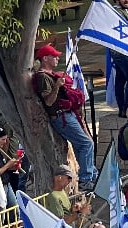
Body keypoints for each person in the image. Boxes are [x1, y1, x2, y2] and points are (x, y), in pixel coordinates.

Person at [31, 43, 97, 188]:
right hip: (61, 117)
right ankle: (86, 178)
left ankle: (91, 174)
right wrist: (57, 86)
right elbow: (48, 102)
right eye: (54, 57)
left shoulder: (51, 75)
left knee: (85, 143)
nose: (57, 59)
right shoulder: (43, 77)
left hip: (68, 115)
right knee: (86, 144)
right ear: (46, 58)